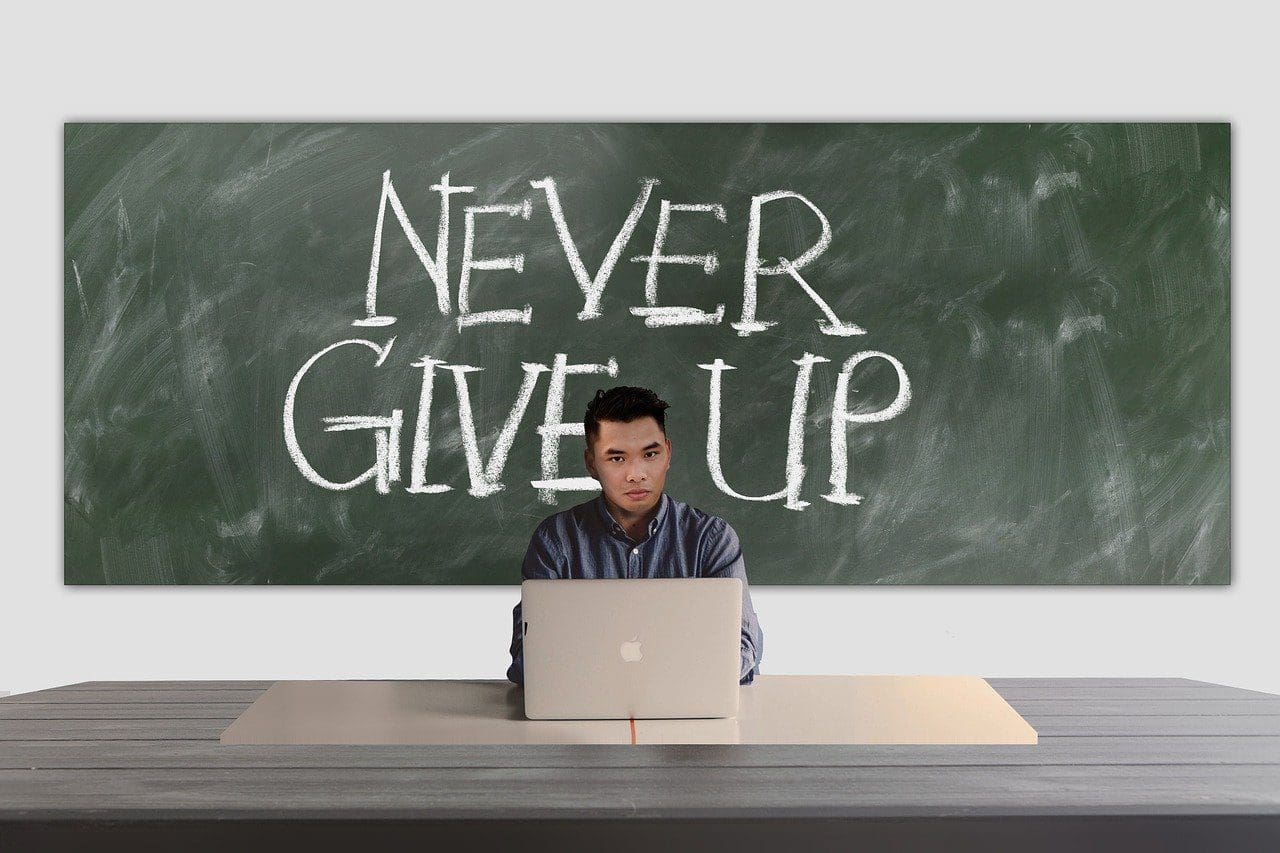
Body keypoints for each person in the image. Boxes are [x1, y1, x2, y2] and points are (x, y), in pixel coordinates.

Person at [506, 386, 764, 686]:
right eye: (617, 459)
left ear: (668, 453)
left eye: (650, 454)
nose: (636, 473)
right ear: (591, 464)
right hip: (583, 716)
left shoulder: (712, 540)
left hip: (689, 715)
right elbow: (528, 660)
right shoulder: (557, 540)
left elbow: (742, 650)